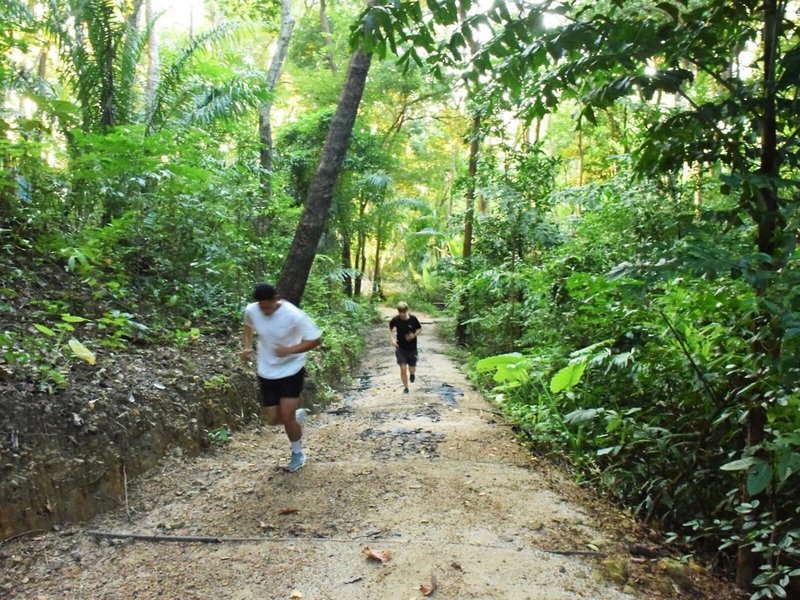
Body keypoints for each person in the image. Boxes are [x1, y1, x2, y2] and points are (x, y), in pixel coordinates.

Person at [242, 283, 322, 472]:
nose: (265, 311)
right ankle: (295, 418)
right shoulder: (252, 310)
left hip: (291, 369)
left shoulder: (293, 314)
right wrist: (246, 346)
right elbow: (247, 326)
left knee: (286, 417)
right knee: (273, 419)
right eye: (262, 307)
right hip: (266, 371)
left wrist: (289, 350)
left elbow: (316, 339)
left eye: (268, 306)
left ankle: (297, 453)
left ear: (276, 299)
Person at [388, 301, 422, 394]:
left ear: (407, 310)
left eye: (403, 312)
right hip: (400, 348)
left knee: (412, 368)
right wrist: (392, 339)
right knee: (403, 368)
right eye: (400, 312)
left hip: (412, 348)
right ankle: (406, 387)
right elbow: (389, 328)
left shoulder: (413, 319)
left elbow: (419, 329)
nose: (402, 314)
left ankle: (412, 373)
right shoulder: (396, 319)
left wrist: (413, 335)